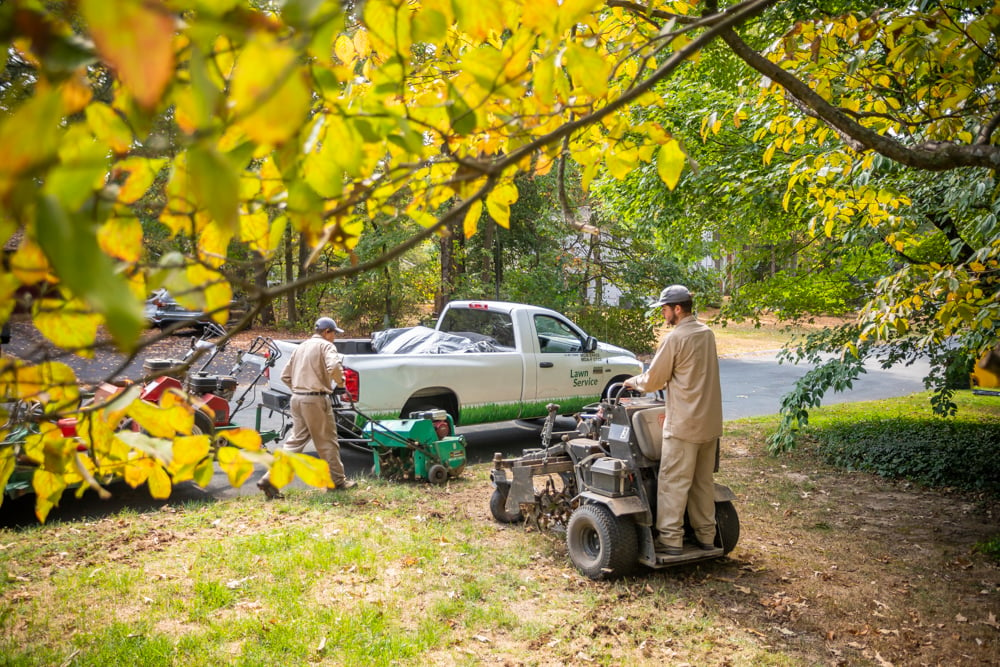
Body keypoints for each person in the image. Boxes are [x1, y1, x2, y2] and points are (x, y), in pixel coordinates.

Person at [623, 285, 723, 556]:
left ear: (677, 309)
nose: (663, 314)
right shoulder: (707, 333)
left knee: (673, 484)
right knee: (702, 484)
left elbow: (654, 379)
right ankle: (706, 536)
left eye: (665, 309)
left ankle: (670, 540)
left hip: (683, 425)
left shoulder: (675, 338)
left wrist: (632, 381)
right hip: (710, 424)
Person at [257, 316, 357, 498]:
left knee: (295, 442)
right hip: (316, 400)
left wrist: (300, 389)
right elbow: (334, 365)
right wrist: (340, 383)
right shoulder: (326, 346)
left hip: (297, 399)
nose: (335, 337)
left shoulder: (301, 347)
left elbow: (285, 376)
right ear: (327, 332)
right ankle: (337, 482)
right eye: (334, 333)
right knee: (327, 442)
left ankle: (270, 478)